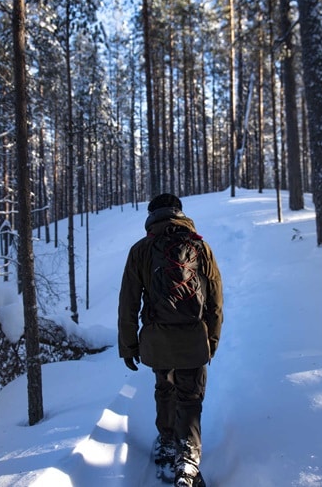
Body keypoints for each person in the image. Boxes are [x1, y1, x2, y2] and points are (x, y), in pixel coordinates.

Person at [118, 193, 223, 487]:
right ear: (179, 213)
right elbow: (215, 301)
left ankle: (166, 441)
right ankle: (188, 460)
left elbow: (128, 302)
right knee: (190, 397)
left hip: (156, 338)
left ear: (151, 216)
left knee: (165, 386)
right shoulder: (200, 247)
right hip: (193, 337)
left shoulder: (141, 250)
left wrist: (128, 346)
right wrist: (210, 340)